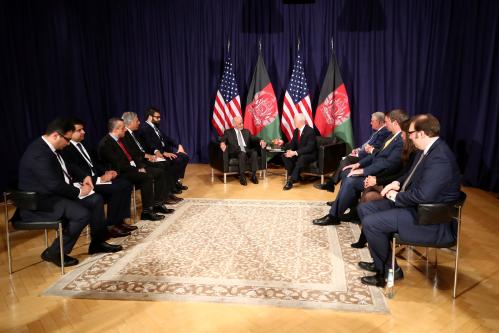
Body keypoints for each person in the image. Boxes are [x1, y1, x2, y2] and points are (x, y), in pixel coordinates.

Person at [356, 114, 461, 287]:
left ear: (422, 133)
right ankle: (387, 264)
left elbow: (423, 196)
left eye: (411, 132)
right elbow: (410, 175)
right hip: (416, 208)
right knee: (365, 209)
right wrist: (395, 183)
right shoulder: (427, 151)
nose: (409, 136)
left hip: (429, 220)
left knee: (371, 223)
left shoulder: (440, 158)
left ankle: (386, 273)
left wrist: (395, 196)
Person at [18, 118, 122, 267]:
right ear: (55, 135)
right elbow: (54, 185)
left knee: (96, 200)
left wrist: (84, 176)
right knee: (81, 214)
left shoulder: (50, 147)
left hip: (53, 196)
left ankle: (97, 243)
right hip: (39, 203)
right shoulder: (39, 154)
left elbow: (68, 166)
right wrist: (80, 191)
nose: (68, 143)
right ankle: (54, 252)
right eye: (67, 139)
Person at [312, 109, 408, 226]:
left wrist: (363, 171)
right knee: (346, 172)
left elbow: (388, 164)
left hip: (383, 176)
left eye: (387, 121)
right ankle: (351, 211)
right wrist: (358, 164)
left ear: (395, 123)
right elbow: (376, 155)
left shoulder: (401, 141)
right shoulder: (392, 137)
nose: (385, 124)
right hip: (376, 170)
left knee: (350, 181)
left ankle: (334, 216)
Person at [61, 118, 136, 238]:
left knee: (125, 184)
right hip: (85, 183)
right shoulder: (66, 149)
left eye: (83, 129)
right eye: (79, 130)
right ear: (70, 133)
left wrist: (107, 172)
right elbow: (75, 172)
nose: (83, 132)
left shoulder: (83, 145)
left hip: (97, 178)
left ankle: (120, 221)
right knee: (116, 188)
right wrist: (99, 179)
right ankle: (111, 226)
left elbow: (94, 164)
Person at [350, 117, 417, 249]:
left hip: (402, 191)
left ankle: (369, 234)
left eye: (404, 133)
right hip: (395, 184)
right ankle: (366, 235)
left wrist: (378, 180)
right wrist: (376, 180)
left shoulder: (414, 152)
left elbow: (402, 175)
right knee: (368, 188)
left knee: (369, 196)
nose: (402, 136)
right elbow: (398, 173)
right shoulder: (404, 147)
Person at [98, 117, 171, 221]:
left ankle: (157, 204)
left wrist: (140, 166)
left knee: (159, 172)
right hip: (120, 173)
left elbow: (134, 155)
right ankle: (146, 211)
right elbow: (118, 165)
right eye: (123, 128)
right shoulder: (106, 144)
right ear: (116, 129)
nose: (125, 130)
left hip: (132, 168)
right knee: (146, 176)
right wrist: (137, 170)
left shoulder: (122, 139)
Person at [315, 111, 389, 192]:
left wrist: (359, 153)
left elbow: (373, 149)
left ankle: (331, 184)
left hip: (368, 159)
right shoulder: (378, 132)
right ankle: (334, 189)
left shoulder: (383, 133)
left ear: (379, 122)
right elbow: (368, 145)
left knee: (346, 161)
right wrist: (358, 149)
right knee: (345, 168)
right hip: (363, 155)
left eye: (372, 121)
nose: (370, 123)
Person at [121, 111, 182, 204]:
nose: (139, 122)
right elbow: (132, 152)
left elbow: (144, 146)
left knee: (166, 162)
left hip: (144, 157)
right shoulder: (125, 135)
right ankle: (162, 198)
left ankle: (167, 193)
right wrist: (146, 157)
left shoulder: (135, 133)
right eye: (137, 121)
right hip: (139, 162)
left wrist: (153, 154)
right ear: (130, 122)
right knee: (162, 165)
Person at [139, 107, 189, 191]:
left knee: (184, 157)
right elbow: (150, 144)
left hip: (165, 152)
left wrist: (178, 145)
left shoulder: (155, 127)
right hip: (156, 154)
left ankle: (175, 181)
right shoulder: (145, 128)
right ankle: (171, 186)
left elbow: (166, 138)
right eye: (157, 117)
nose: (159, 119)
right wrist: (163, 152)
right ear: (150, 116)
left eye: (159, 117)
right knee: (177, 160)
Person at [219, 116, 267, 185]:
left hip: (246, 150)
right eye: (239, 124)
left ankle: (253, 175)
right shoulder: (228, 132)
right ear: (234, 125)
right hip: (235, 151)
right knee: (242, 153)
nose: (242, 125)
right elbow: (223, 138)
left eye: (242, 123)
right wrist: (222, 143)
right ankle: (242, 176)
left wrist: (260, 140)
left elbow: (253, 138)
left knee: (254, 153)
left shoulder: (246, 131)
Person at [277, 113, 317, 190]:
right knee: (285, 156)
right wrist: (283, 144)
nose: (293, 123)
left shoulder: (310, 131)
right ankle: (297, 176)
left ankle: (291, 181)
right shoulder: (296, 131)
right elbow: (292, 144)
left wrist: (295, 153)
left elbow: (309, 148)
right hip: (299, 153)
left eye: (295, 121)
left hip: (310, 154)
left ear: (301, 122)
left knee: (301, 158)